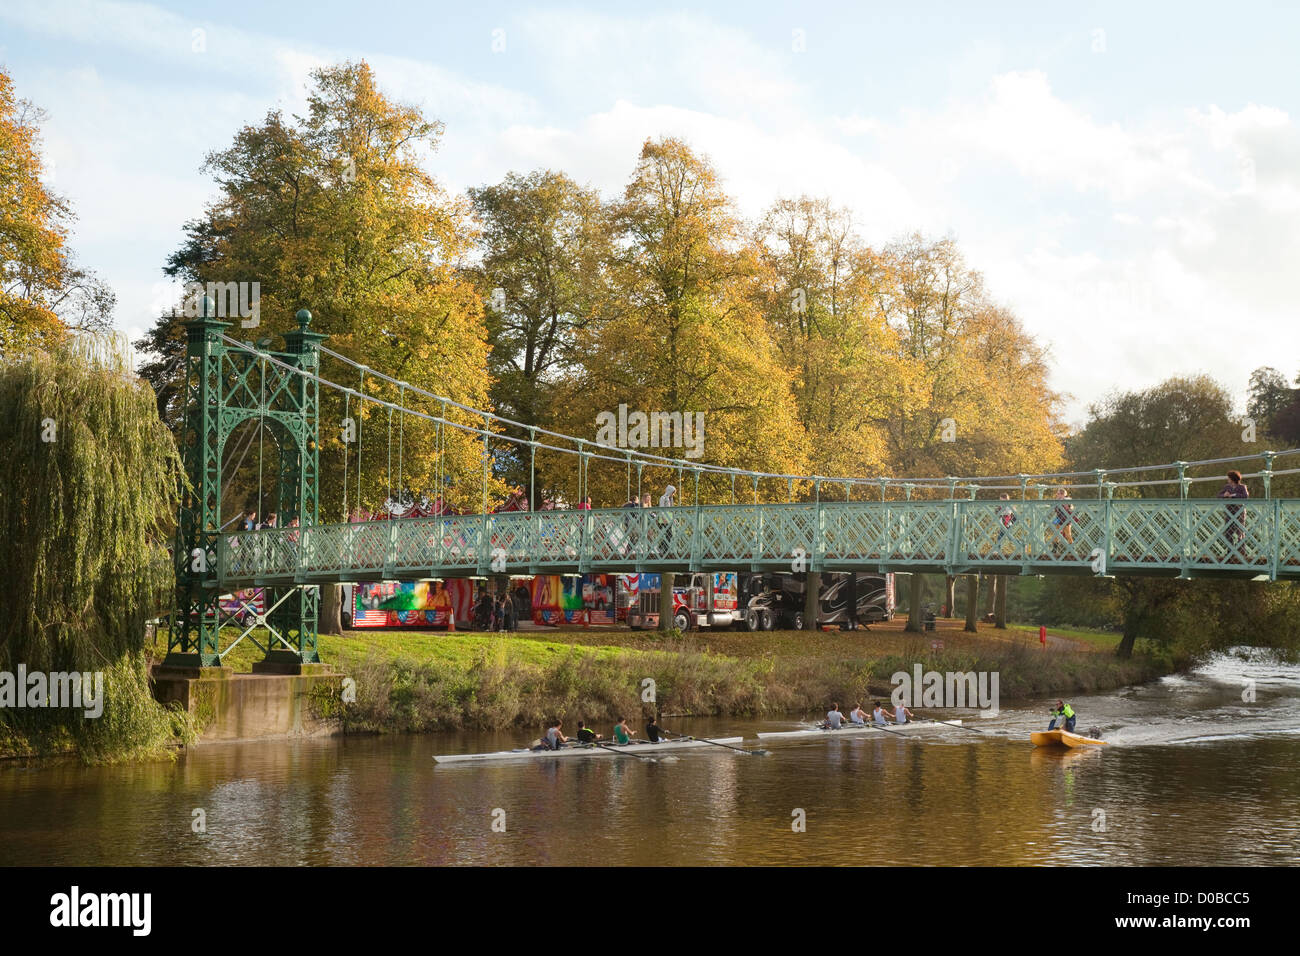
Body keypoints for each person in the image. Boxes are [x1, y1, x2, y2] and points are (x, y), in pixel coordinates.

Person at [1217, 470, 1249, 560]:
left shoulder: (1242, 487)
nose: (1228, 479)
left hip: (1239, 511)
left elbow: (1245, 496)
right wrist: (1224, 495)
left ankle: (1242, 552)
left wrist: (1233, 495)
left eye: (1229, 478)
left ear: (1232, 479)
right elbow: (1218, 495)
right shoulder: (1227, 487)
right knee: (1228, 531)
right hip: (1229, 511)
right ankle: (1230, 551)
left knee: (1240, 531)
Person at [1051, 488, 1074, 553]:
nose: (1057, 495)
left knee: (1068, 534)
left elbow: (1071, 508)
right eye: (1057, 494)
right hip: (1058, 518)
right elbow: (1055, 510)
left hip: (1066, 519)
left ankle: (1072, 549)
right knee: (1055, 533)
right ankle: (1054, 549)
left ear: (1063, 494)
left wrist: (1068, 506)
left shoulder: (1067, 500)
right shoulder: (1057, 501)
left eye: (1058, 494)